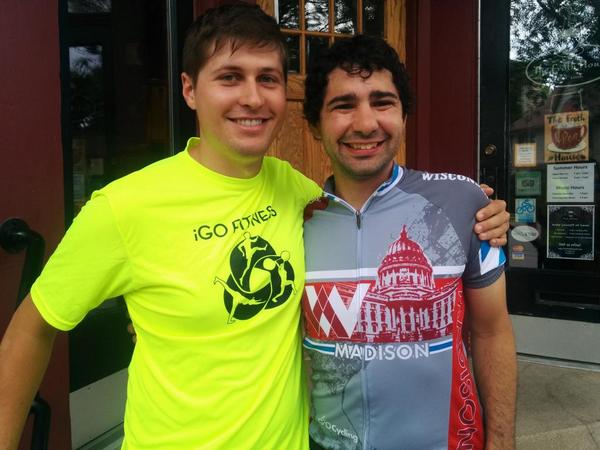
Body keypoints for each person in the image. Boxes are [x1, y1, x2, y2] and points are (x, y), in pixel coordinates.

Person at [0, 4, 509, 450]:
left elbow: (374, 214)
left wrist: (476, 213)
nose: (252, 97)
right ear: (189, 89)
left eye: (267, 78)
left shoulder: (296, 191)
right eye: (229, 77)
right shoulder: (123, 207)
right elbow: (30, 330)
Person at [301, 35, 516, 450]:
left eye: (382, 102)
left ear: (404, 116)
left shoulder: (462, 201)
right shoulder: (295, 217)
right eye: (343, 105)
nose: (366, 124)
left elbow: (492, 331)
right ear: (314, 125)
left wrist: (503, 442)